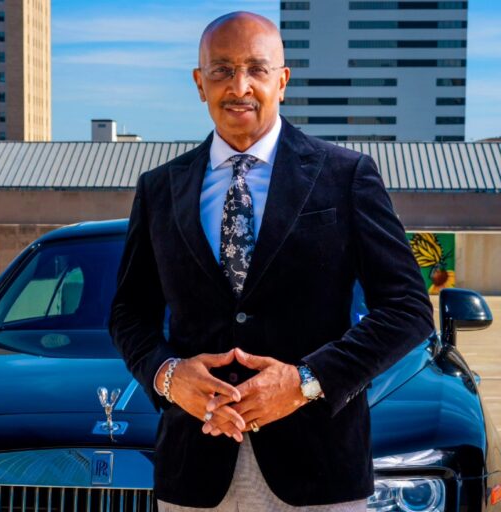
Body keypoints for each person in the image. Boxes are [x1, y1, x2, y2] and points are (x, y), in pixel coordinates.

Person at [109, 11, 434, 511]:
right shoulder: (159, 188)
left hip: (318, 466)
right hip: (195, 467)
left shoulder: (345, 176)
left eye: (256, 69)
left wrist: (305, 382)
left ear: (281, 81)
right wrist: (168, 375)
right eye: (221, 69)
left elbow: (408, 310)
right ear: (199, 83)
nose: (239, 86)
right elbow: (129, 313)